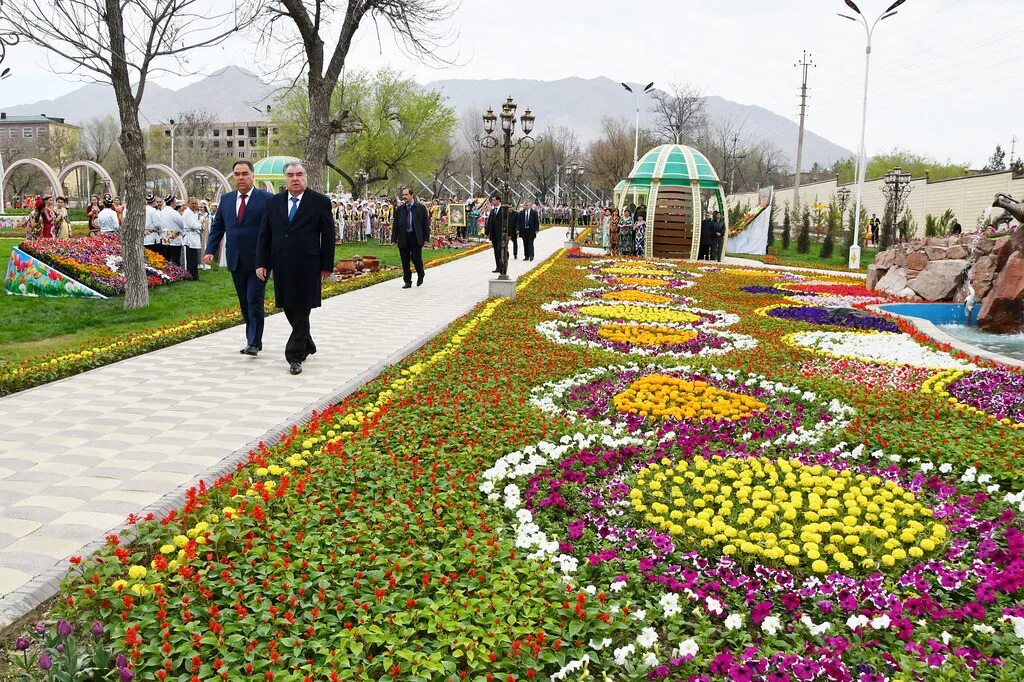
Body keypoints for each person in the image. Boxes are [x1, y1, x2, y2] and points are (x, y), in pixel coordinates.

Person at [256, 161, 335, 376]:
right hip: (282, 264)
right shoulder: (274, 203)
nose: (295, 178)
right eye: (290, 175)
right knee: (289, 306)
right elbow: (265, 234)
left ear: (306, 177)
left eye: (299, 174)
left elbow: (328, 236)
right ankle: (307, 342)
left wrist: (327, 265)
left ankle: (294, 355)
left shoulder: (319, 202)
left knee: (302, 308)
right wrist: (261, 262)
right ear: (285, 179)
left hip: (309, 264)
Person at [205, 159, 274, 356]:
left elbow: (274, 229)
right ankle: (254, 340)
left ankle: (253, 342)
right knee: (244, 302)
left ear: (253, 175)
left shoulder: (267, 199)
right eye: (237, 174)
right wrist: (210, 250)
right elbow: (218, 227)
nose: (241, 178)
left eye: (245, 174)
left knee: (254, 299)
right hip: (235, 259)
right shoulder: (227, 200)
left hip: (259, 261)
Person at [392, 187, 430, 288]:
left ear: (412, 195)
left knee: (416, 258)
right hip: (403, 237)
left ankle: (420, 273)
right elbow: (395, 224)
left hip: (416, 236)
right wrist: (394, 238)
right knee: (405, 260)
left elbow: (425, 224)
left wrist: (426, 238)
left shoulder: (420, 208)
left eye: (406, 195)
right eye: (403, 195)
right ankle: (407, 281)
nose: (404, 197)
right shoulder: (400, 209)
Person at [485, 193, 516, 274]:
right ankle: (498, 267)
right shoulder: (492, 211)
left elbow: (508, 222)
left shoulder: (503, 210)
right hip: (494, 234)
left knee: (500, 249)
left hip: (502, 234)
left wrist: (509, 234)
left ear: (498, 200)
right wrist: (487, 232)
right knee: (496, 250)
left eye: (494, 200)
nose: (492, 201)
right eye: (492, 200)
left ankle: (503, 264)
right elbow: (489, 222)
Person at [181, 197, 203, 280]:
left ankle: (194, 275)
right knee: (190, 258)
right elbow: (193, 225)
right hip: (189, 238)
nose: (195, 205)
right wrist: (201, 225)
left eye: (196, 203)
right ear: (188, 204)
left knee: (194, 257)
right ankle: (190, 275)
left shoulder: (192, 213)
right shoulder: (187, 213)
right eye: (193, 203)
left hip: (194, 236)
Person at [160, 195, 185, 265]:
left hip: (165, 238)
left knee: (166, 258)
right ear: (172, 202)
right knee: (175, 258)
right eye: (175, 202)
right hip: (175, 238)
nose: (175, 204)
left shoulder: (162, 212)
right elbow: (182, 224)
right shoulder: (174, 212)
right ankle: (176, 273)